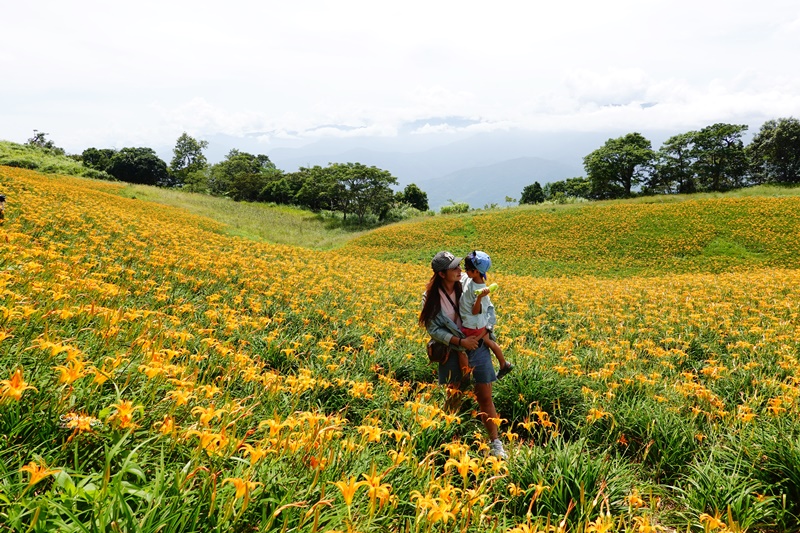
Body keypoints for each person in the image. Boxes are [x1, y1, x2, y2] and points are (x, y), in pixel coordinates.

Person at [419, 251, 508, 459]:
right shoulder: (430, 297)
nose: (460, 270)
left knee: (485, 397)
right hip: (452, 350)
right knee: (454, 396)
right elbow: (434, 330)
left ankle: (496, 443)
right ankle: (448, 438)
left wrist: (486, 330)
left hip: (478, 346)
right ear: (442, 274)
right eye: (454, 268)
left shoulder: (469, 282)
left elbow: (489, 309)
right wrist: (460, 342)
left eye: (460, 266)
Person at [460, 251, 514, 379]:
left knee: (462, 347)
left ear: (476, 271)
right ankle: (503, 363)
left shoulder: (481, 290)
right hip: (476, 323)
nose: (464, 271)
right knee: (487, 340)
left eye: (467, 269)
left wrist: (479, 298)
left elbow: (475, 311)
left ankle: (466, 377)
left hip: (472, 325)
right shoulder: (470, 278)